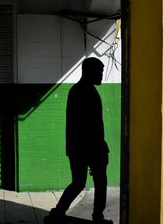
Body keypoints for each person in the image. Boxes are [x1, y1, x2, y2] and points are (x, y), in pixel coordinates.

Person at [48, 57, 112, 224]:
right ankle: (98, 217)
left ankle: (58, 212)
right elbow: (89, 125)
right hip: (89, 148)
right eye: (99, 72)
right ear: (90, 72)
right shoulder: (86, 92)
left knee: (78, 182)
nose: (101, 76)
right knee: (100, 183)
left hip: (78, 148)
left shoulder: (77, 90)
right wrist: (99, 148)